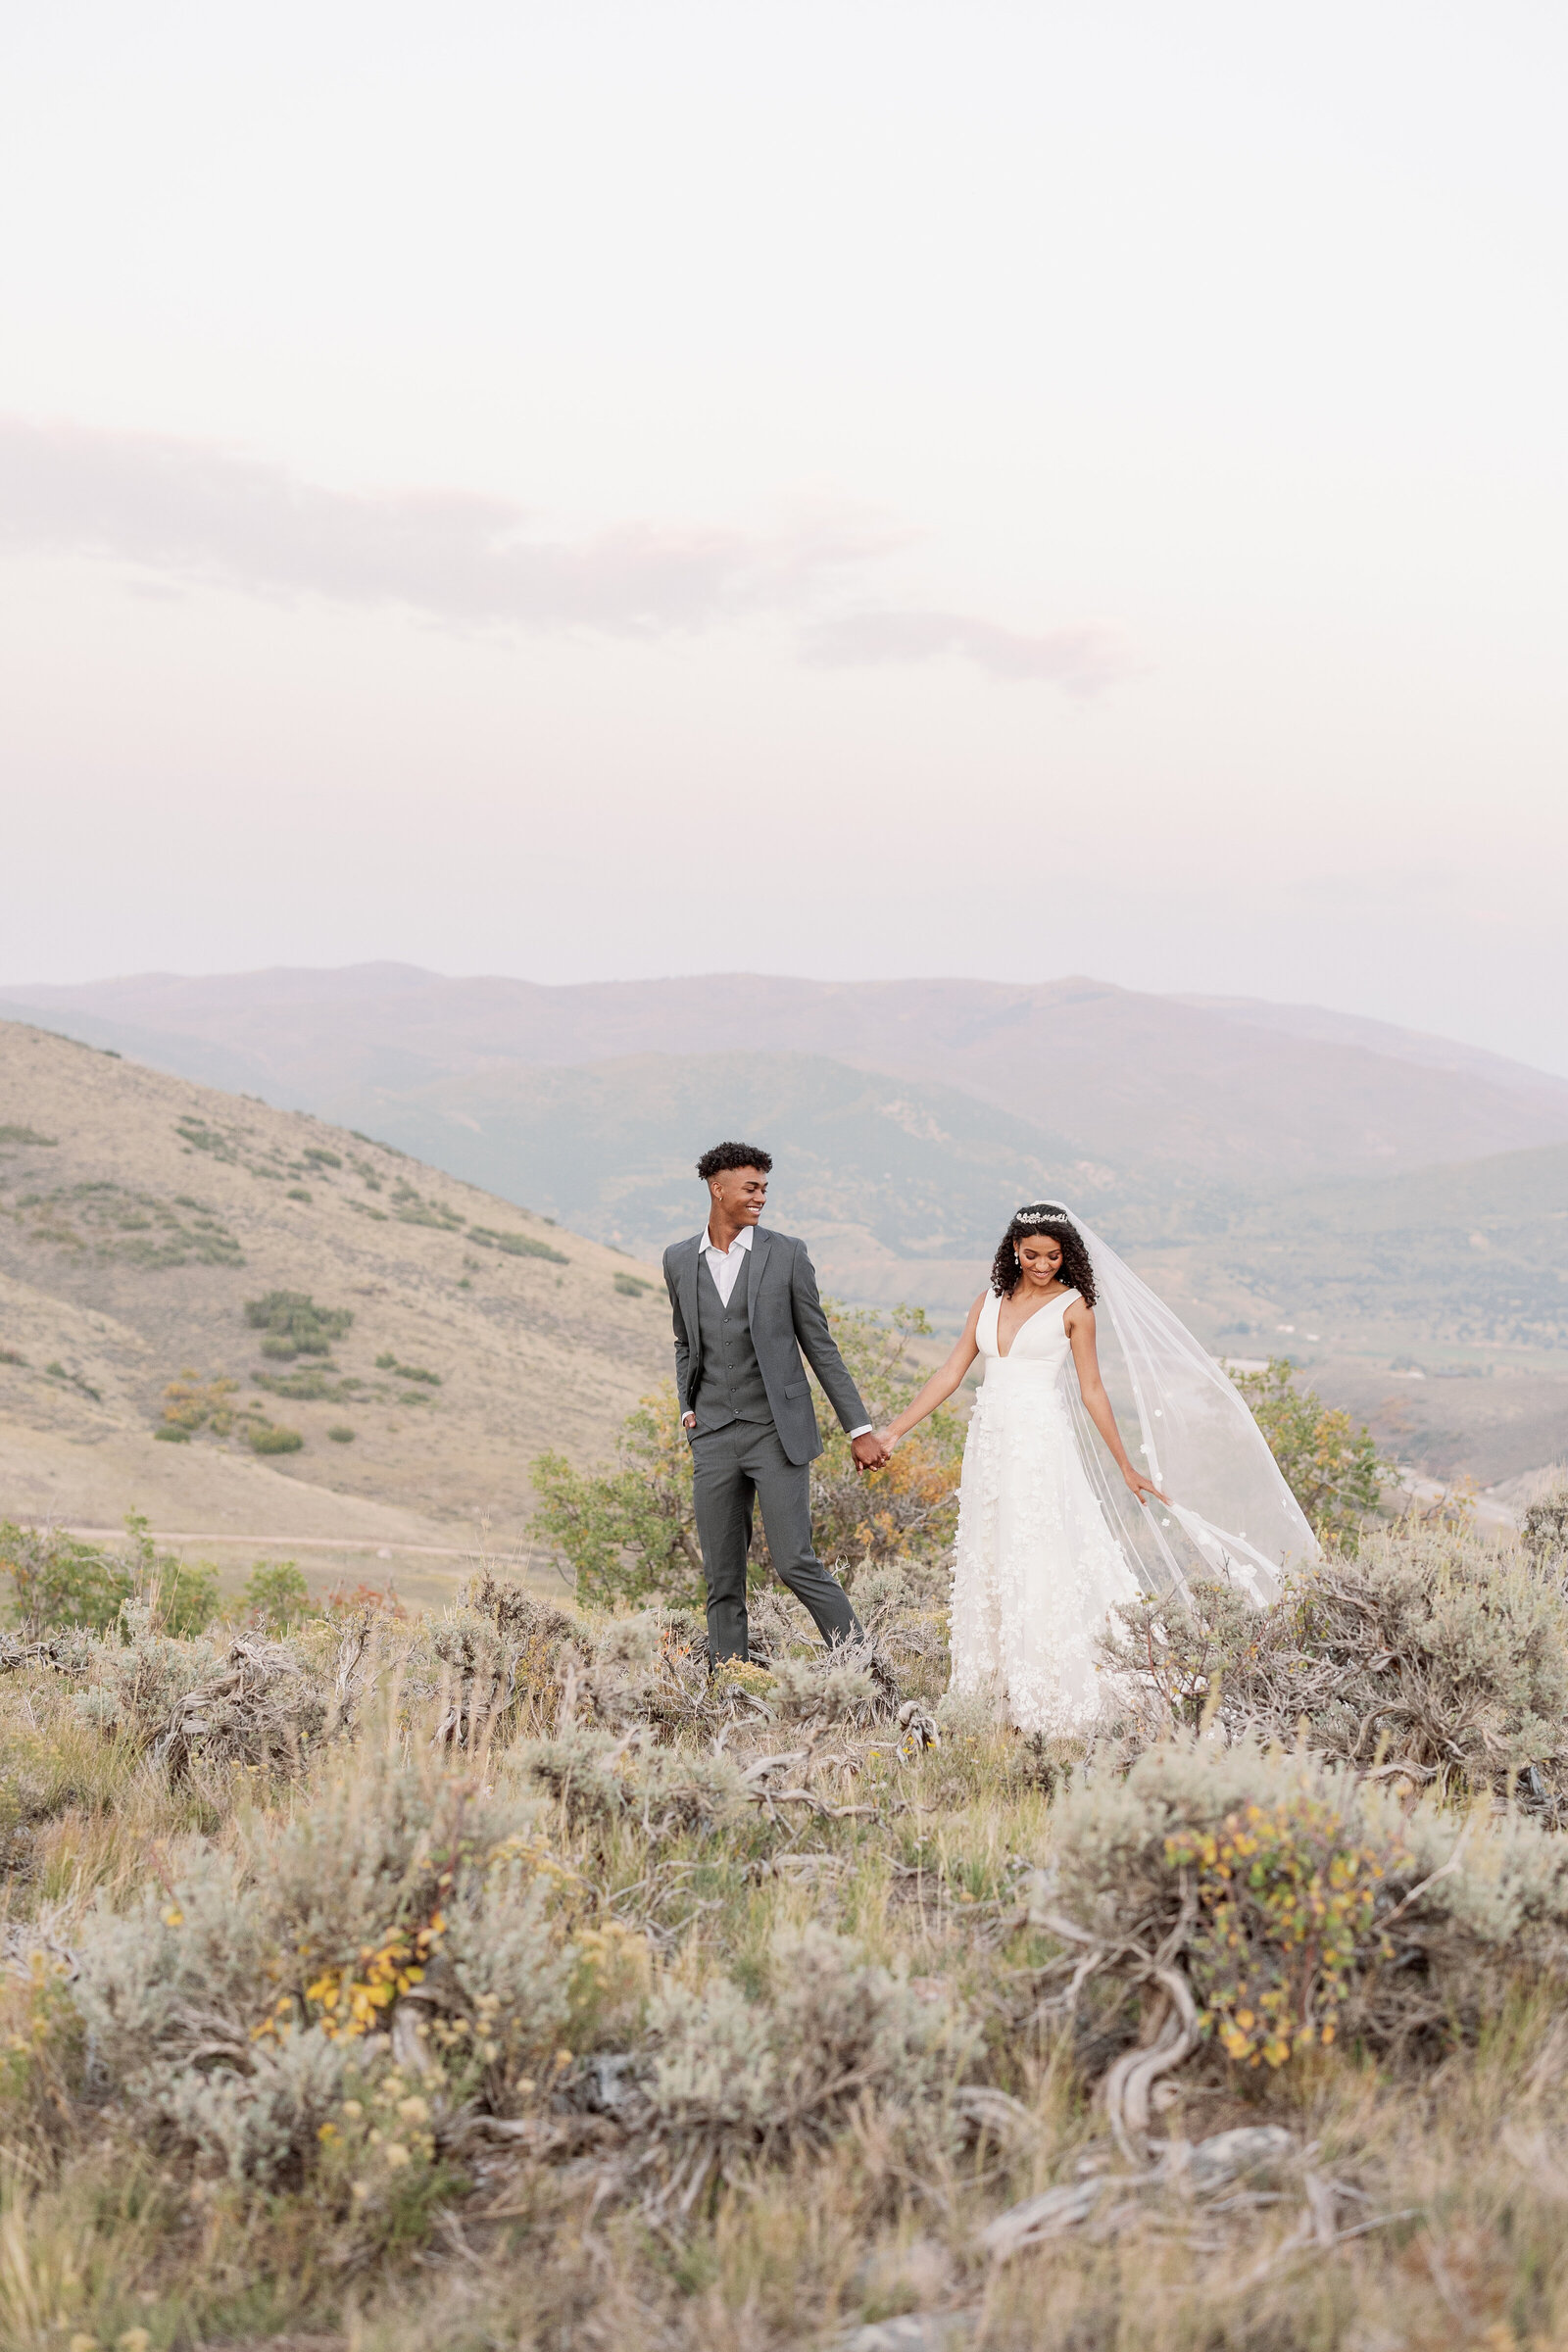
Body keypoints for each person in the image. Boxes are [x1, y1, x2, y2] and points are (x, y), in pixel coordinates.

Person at [873, 1200, 1318, 1737]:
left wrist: (1126, 1466)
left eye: (1053, 1256)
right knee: (988, 1551)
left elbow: (1092, 1390)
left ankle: (1044, 1696)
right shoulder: (987, 1300)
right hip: (988, 1443)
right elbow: (950, 1372)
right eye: (1032, 1254)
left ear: (1068, 1256)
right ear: (1013, 1248)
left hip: (1039, 1447)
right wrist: (894, 1431)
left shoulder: (1075, 1307)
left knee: (1035, 1555)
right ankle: (988, 1689)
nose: (1041, 1265)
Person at [663, 1141, 891, 1664]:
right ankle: (731, 1683)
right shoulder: (678, 1259)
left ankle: (863, 1667)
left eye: (765, 1188)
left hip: (777, 1433)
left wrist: (859, 1429)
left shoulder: (786, 1253)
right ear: (717, 1189)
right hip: (714, 1436)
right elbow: (683, 1340)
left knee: (795, 1561)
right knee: (722, 1575)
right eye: (751, 1188)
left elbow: (820, 1345)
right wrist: (686, 1405)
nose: (761, 1197)